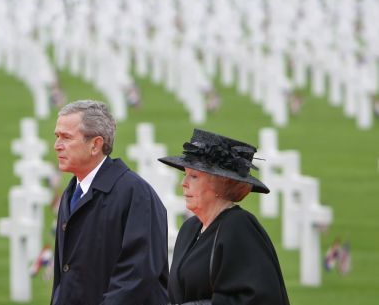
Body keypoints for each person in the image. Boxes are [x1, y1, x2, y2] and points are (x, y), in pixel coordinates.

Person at [51, 100, 169, 305]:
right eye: (57, 136)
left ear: (95, 144)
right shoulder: (72, 193)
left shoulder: (135, 194)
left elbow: (137, 276)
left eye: (66, 137)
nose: (57, 146)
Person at [158, 129, 290, 305]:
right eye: (185, 174)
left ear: (220, 184)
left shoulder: (240, 227)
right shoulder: (190, 228)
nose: (184, 183)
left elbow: (256, 299)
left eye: (194, 176)